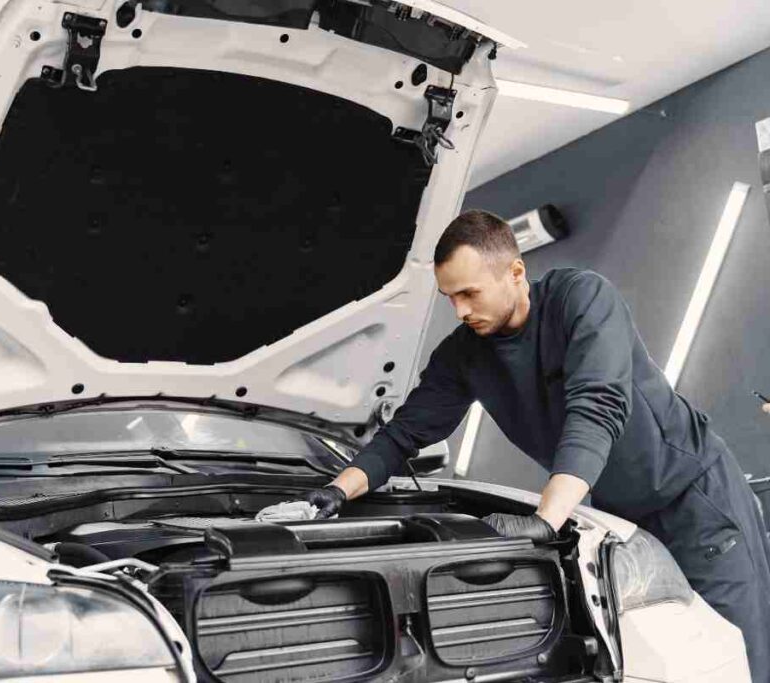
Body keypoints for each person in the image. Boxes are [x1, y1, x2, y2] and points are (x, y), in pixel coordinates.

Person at [302, 210, 770, 681]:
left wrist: (546, 521)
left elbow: (597, 405)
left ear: (516, 272)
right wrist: (339, 490)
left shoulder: (581, 300)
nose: (461, 310)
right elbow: (406, 433)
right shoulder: (464, 354)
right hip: (622, 518)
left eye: (469, 293)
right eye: (450, 298)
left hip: (694, 500)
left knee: (738, 654)